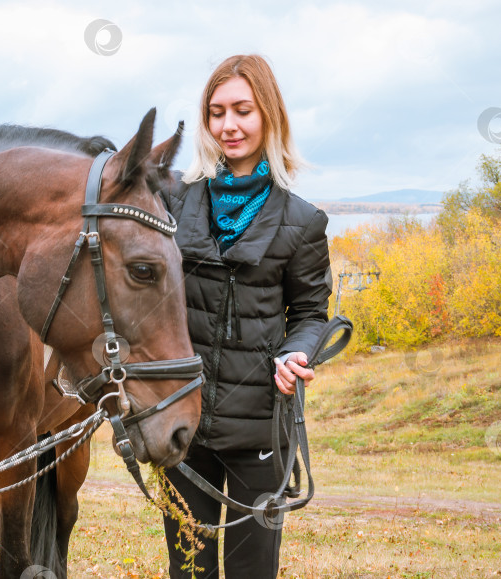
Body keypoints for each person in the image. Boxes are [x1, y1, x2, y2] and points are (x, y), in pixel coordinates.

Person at [158, 54, 332, 578]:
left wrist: (298, 350)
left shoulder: (301, 221)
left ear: (269, 116)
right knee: (189, 572)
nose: (228, 126)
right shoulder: (173, 203)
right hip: (181, 425)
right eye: (216, 112)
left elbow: (309, 312)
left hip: (261, 427)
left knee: (252, 572)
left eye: (242, 110)